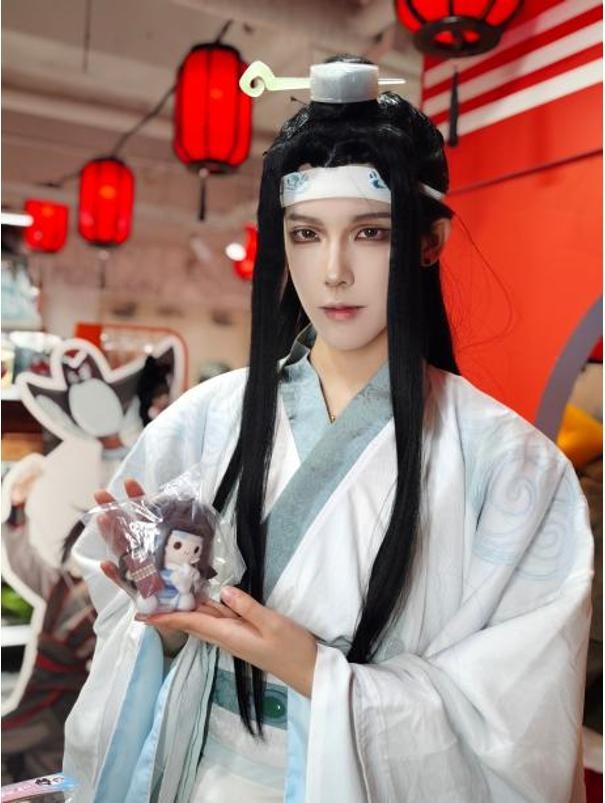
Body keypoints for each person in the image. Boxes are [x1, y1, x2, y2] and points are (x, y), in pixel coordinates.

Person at [63, 56, 593, 803]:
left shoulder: (511, 466)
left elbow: (517, 724)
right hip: (190, 775)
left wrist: (315, 671)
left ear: (429, 241)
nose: (333, 271)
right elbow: (120, 618)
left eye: (370, 232)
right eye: (306, 234)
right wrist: (166, 623)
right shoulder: (202, 420)